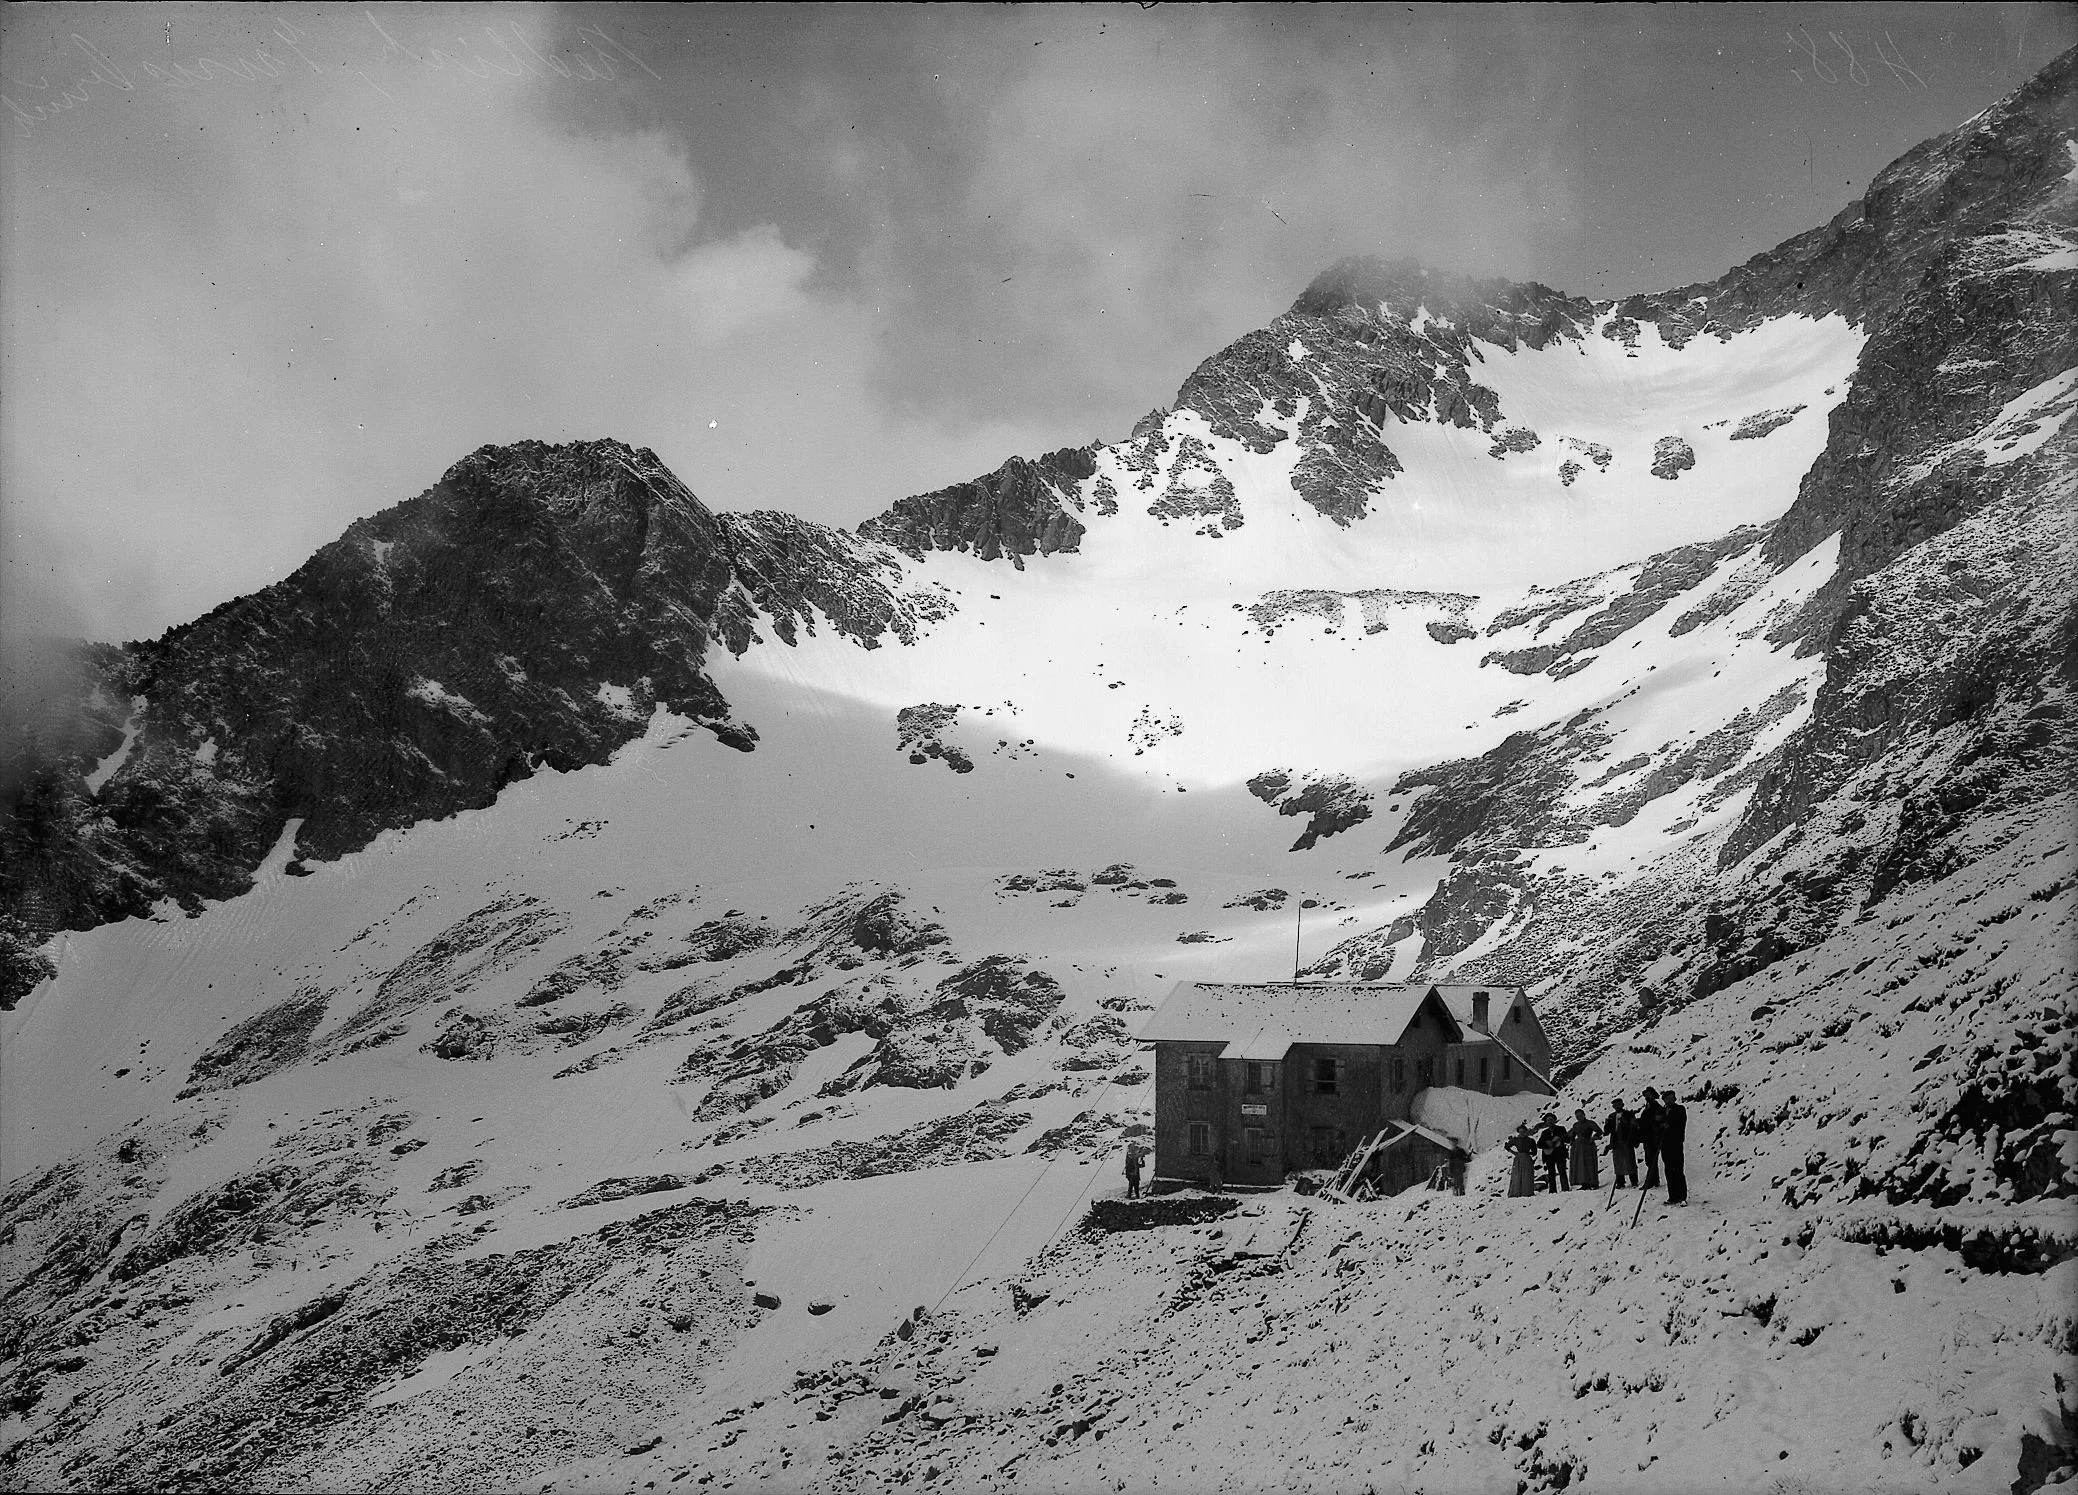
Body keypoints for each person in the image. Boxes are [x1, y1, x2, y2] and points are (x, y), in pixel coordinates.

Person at [1660, 1090, 1689, 1205]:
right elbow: (1655, 1125)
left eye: (1671, 1098)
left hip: (1676, 1143)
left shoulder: (1680, 1109)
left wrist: (1668, 1124)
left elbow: (1680, 1122)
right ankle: (1672, 1196)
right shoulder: (1661, 1111)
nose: (1669, 1100)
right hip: (1664, 1145)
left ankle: (1682, 1196)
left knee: (1678, 1169)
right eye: (1667, 1098)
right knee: (1668, 1170)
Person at [1605, 1099, 1638, 1188]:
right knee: (1618, 1162)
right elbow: (1607, 1131)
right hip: (1616, 1141)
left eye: (1619, 1105)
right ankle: (1620, 1182)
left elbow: (1633, 1127)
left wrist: (1634, 1140)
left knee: (1630, 1160)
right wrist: (1607, 1124)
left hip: (1626, 1140)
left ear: (1622, 1105)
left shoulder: (1629, 1114)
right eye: (1615, 1105)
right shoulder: (1611, 1116)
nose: (1617, 1107)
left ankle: (1634, 1181)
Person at [1638, 1088, 1665, 1190]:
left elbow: (1652, 1121)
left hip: (1653, 1137)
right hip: (1647, 1137)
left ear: (1654, 1095)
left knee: (1651, 1159)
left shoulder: (1656, 1107)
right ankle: (1654, 1180)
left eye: (1649, 1095)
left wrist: (1640, 1122)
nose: (1647, 1097)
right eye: (1646, 1095)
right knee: (1650, 1159)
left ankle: (1650, 1181)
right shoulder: (1648, 1107)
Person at [1568, 1108, 1601, 1190]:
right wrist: (1571, 1141)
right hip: (1578, 1147)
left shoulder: (1590, 1123)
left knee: (1589, 1164)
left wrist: (1593, 1138)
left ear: (1584, 1115)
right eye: (1577, 1116)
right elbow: (1572, 1135)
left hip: (1588, 1146)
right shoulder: (1575, 1125)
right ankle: (1584, 1183)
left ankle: (1592, 1182)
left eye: (1580, 1115)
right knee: (1580, 1165)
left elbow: (1599, 1131)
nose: (1578, 1118)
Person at [1537, 1112, 1569, 1193]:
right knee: (1551, 1173)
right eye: (1548, 1120)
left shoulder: (1561, 1129)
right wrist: (1548, 1144)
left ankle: (1565, 1189)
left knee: (1562, 1171)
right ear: (1546, 1122)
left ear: (1554, 1120)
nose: (1550, 1121)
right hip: (1549, 1155)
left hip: (1560, 1154)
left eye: (1551, 1120)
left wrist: (1561, 1140)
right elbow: (1539, 1144)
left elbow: (1567, 1139)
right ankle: (1552, 1190)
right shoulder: (1544, 1133)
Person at [1506, 1122, 1537, 1197]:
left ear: (1526, 1132)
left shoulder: (1531, 1140)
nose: (1522, 1133)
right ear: (1518, 1132)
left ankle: (1527, 1192)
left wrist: (1528, 1154)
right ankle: (1516, 1192)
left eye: (1523, 1131)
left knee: (1527, 1175)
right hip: (1518, 1159)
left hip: (1527, 1159)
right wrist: (1514, 1153)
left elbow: (1534, 1151)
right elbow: (1507, 1146)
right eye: (1520, 1132)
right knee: (1517, 1175)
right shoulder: (1515, 1140)